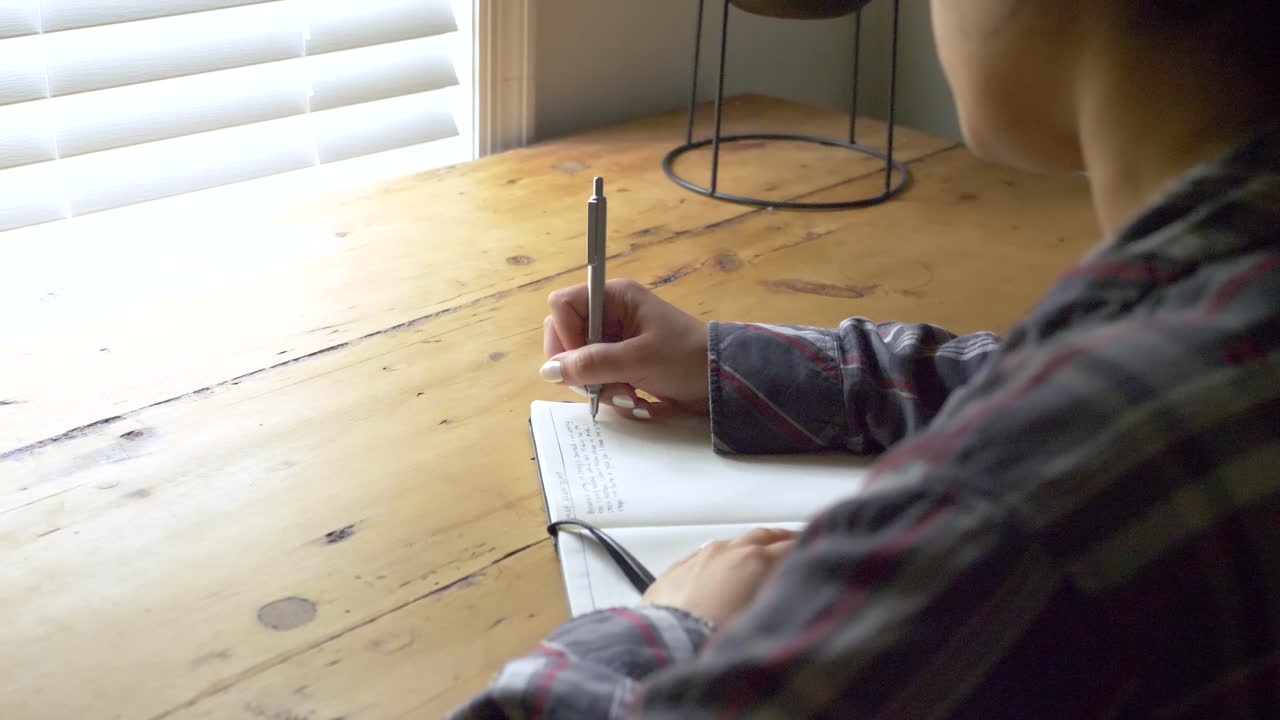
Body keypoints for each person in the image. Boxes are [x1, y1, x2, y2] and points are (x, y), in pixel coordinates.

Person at [452, 0, 1280, 716]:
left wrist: (675, 626)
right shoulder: (1223, 303)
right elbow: (993, 371)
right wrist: (720, 358)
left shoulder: (1020, 511)